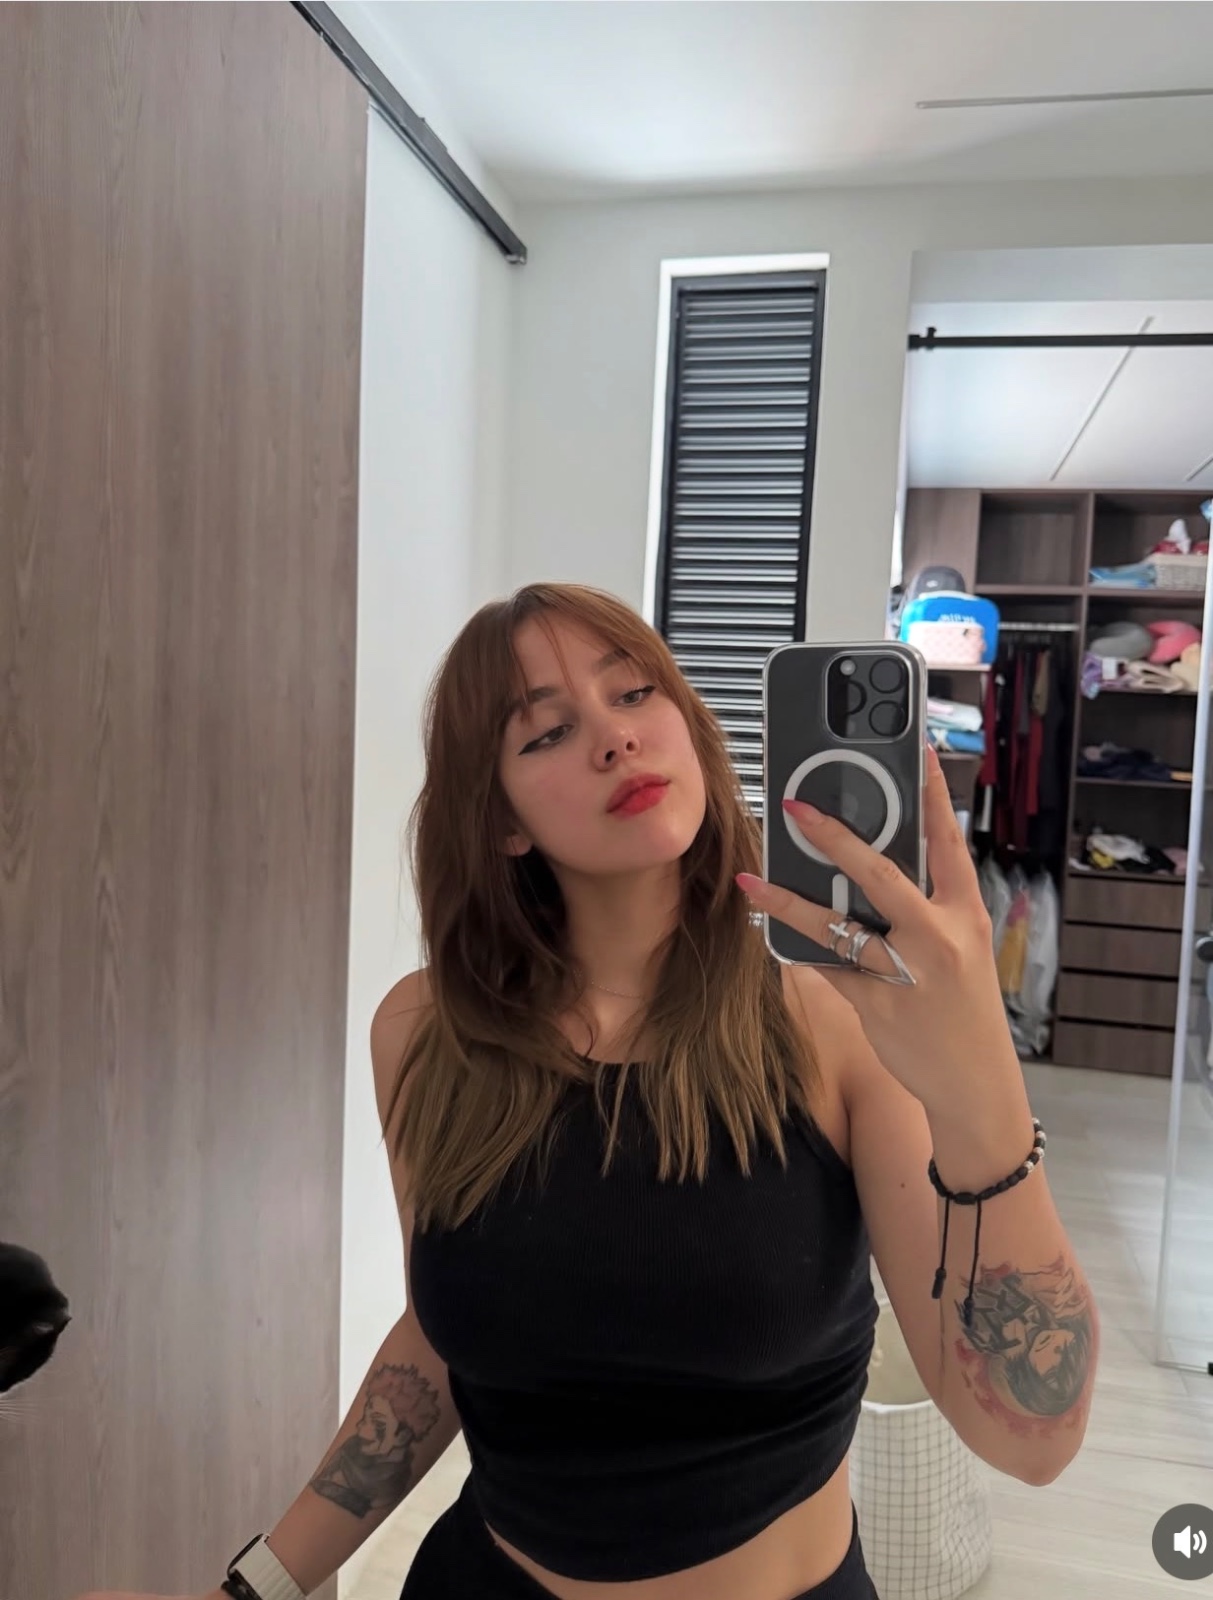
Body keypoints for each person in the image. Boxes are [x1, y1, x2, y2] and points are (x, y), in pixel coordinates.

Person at [74, 582, 1093, 1600]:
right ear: (502, 822)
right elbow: (443, 1340)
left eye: (635, 693)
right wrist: (260, 1583)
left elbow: (1034, 1440)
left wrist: (979, 1081)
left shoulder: (834, 1024)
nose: (614, 739)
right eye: (548, 732)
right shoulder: (425, 1034)